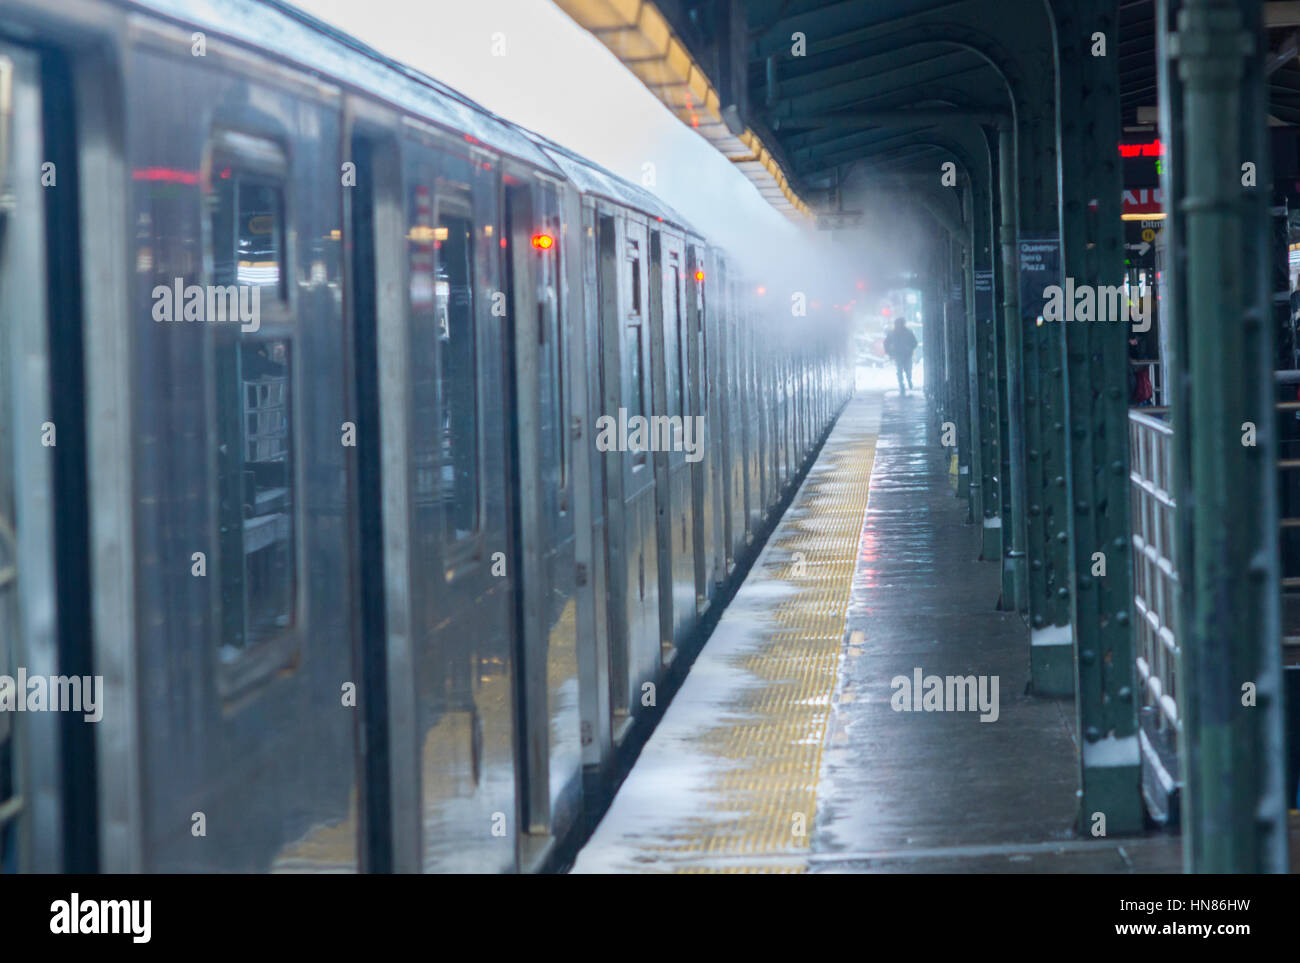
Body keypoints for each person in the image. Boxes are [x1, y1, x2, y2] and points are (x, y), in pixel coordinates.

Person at [884, 318, 918, 396]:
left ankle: (908, 380)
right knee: (900, 370)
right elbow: (886, 343)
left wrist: (910, 347)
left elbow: (914, 343)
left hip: (906, 354)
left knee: (907, 370)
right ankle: (902, 384)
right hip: (899, 354)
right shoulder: (893, 333)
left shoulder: (908, 333)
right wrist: (889, 352)